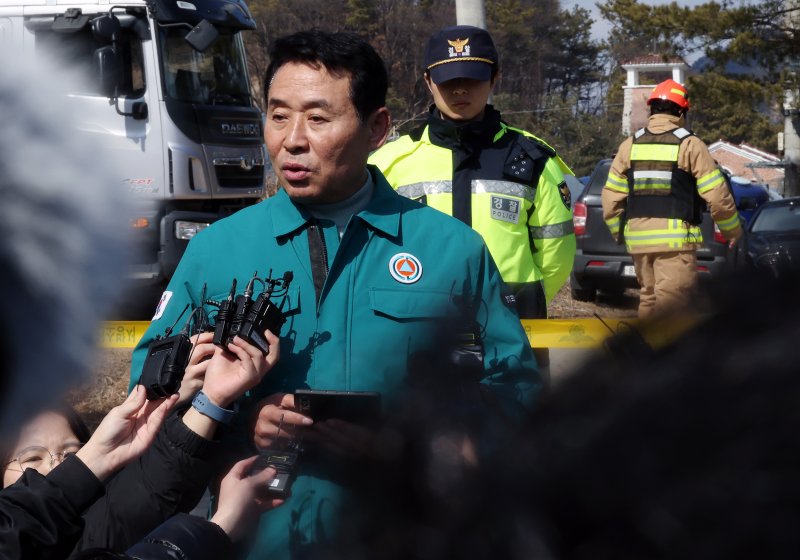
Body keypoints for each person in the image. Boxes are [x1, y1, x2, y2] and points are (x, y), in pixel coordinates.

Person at [129, 29, 539, 560]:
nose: (292, 139)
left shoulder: (453, 251)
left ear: (377, 128)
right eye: (278, 115)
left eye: (318, 118)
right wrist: (235, 414)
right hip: (256, 542)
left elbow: (514, 397)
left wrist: (409, 446)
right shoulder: (217, 251)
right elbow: (150, 392)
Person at [370, 25, 576, 374]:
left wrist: (516, 300)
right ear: (428, 82)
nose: (460, 89)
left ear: (495, 78)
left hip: (514, 331)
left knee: (517, 426)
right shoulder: (387, 164)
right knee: (419, 429)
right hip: (416, 333)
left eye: (473, 78)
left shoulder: (534, 160)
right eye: (448, 81)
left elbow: (556, 253)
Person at [601, 79, 742, 317]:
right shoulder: (690, 144)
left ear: (652, 109)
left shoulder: (629, 145)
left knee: (648, 299)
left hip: (639, 242)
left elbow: (611, 198)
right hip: (674, 243)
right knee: (672, 307)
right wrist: (732, 232)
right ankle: (666, 353)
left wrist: (620, 232)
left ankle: (645, 353)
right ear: (681, 111)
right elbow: (717, 196)